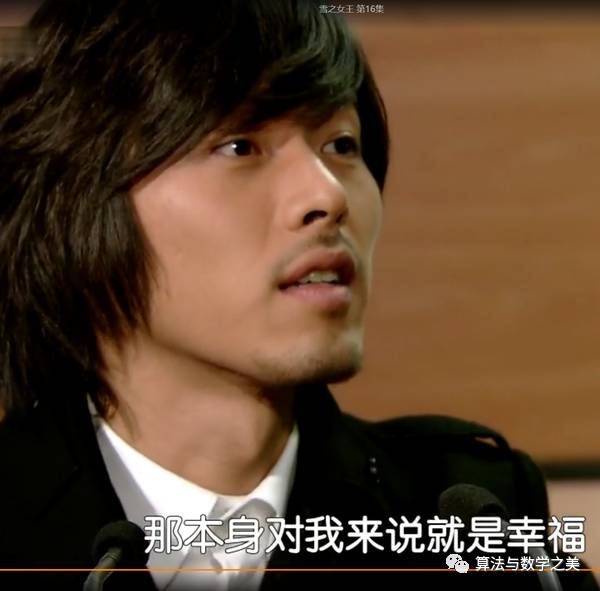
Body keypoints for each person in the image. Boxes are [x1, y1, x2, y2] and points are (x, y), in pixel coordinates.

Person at [0, 1, 597, 590]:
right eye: (241, 147)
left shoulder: (473, 516)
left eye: (342, 145)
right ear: (72, 204)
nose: (327, 195)